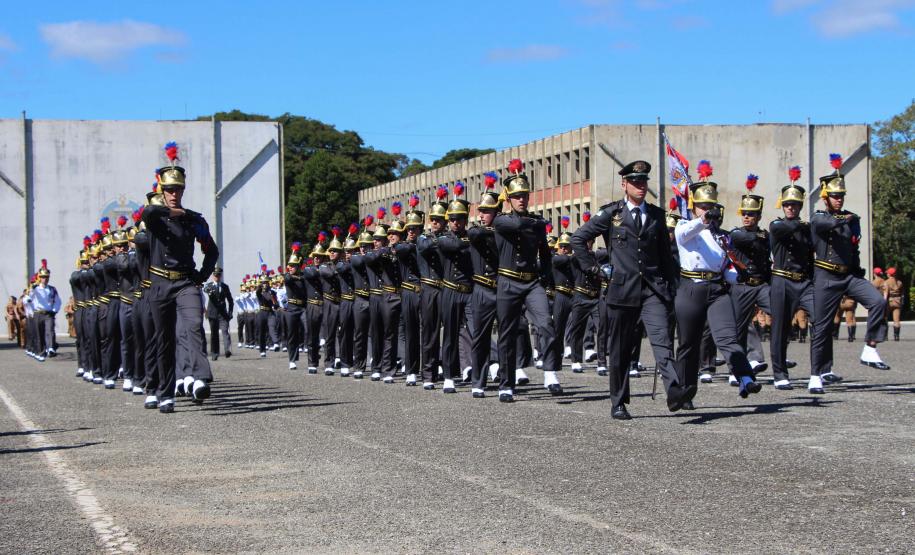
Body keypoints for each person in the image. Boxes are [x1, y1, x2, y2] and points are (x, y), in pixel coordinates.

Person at [571, 160, 683, 420]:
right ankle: (619, 401)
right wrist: (594, 270)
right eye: (635, 181)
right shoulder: (612, 214)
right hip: (621, 292)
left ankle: (674, 389)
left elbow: (666, 257)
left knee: (662, 341)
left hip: (653, 290)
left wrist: (672, 289)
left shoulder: (656, 215)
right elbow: (578, 239)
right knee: (621, 349)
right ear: (624, 184)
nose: (640, 186)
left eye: (643, 181)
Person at [672, 165, 761, 404]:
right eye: (703, 206)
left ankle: (745, 377)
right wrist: (702, 219)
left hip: (716, 290)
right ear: (693, 207)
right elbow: (683, 234)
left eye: (711, 206)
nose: (708, 210)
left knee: (728, 337)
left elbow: (723, 265)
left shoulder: (721, 236)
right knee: (688, 344)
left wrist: (738, 277)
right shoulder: (685, 227)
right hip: (691, 288)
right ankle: (685, 390)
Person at [142, 144, 219, 413]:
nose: (174, 194)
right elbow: (148, 212)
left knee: (194, 325)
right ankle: (165, 393)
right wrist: (177, 212)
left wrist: (201, 276)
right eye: (169, 190)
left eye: (178, 190)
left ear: (183, 191)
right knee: (163, 339)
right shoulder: (156, 217)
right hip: (160, 283)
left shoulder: (194, 220)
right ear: (162, 191)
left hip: (185, 282)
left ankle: (200, 377)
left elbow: (212, 250)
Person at [809, 154, 889, 394]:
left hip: (848, 276)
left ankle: (870, 348)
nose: (839, 199)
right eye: (834, 196)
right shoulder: (819, 217)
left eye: (841, 195)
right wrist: (847, 218)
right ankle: (816, 375)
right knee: (822, 327)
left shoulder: (852, 218)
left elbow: (853, 247)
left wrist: (857, 269)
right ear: (825, 197)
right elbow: (827, 224)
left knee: (877, 301)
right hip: (825, 276)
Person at [493, 159, 561, 402]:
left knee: (546, 324)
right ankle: (506, 384)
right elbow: (517, 224)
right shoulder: (501, 220)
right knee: (507, 334)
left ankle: (550, 373)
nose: (521, 199)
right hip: (508, 281)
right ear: (508, 198)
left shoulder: (536, 223)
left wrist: (548, 281)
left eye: (524, 195)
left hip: (532, 282)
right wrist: (537, 222)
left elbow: (545, 254)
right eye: (516, 196)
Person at [768, 174, 815, 390]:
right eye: (787, 204)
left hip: (803, 282)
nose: (790, 208)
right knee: (780, 329)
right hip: (782, 281)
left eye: (795, 205)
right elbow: (784, 229)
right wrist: (804, 226)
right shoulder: (777, 224)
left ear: (800, 206)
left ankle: (820, 370)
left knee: (820, 319)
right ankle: (780, 374)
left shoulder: (806, 229)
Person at [729, 175, 772, 377]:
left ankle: (773, 357)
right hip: (742, 285)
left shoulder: (765, 236)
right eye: (744, 213)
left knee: (779, 311)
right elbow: (747, 239)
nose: (746, 217)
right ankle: (736, 367)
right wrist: (761, 236)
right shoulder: (736, 234)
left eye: (751, 214)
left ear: (759, 216)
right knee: (739, 327)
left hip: (761, 285)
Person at [437, 197, 476, 394]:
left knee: (477, 331)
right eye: (452, 219)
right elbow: (455, 246)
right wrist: (471, 242)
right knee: (450, 335)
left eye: (459, 218)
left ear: (465, 219)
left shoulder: (471, 236)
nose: (455, 222)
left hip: (469, 291)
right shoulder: (444, 238)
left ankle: (478, 373)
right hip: (450, 290)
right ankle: (449, 376)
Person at [394, 201, 424, 386]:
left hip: (426, 290)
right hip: (409, 291)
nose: (411, 231)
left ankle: (430, 367)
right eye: (409, 229)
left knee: (428, 331)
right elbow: (401, 249)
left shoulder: (426, 242)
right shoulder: (403, 245)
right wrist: (418, 244)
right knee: (411, 332)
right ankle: (411, 370)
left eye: (415, 228)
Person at [31, 259, 62, 359]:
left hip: (48, 313)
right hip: (38, 313)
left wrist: (54, 310)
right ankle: (41, 351)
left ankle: (51, 348)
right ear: (39, 278)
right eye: (43, 277)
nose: (45, 279)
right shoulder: (34, 288)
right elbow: (28, 299)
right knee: (39, 334)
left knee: (50, 331)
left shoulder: (52, 289)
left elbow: (58, 301)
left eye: (47, 277)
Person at [204, 266, 234, 361]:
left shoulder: (225, 287)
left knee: (225, 331)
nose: (217, 277)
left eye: (219, 275)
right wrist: (209, 291)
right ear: (213, 276)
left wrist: (230, 312)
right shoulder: (209, 286)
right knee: (214, 334)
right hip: (212, 314)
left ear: (221, 276)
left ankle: (227, 350)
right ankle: (214, 353)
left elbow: (230, 300)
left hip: (223, 314)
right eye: (216, 275)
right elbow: (205, 289)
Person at [885, 267, 903, 341]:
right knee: (896, 320)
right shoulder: (899, 282)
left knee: (885, 318)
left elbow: (886, 294)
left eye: (887, 273)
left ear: (889, 274)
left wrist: (883, 302)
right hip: (897, 301)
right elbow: (901, 293)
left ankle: (885, 336)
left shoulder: (886, 282)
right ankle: (896, 336)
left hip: (889, 301)